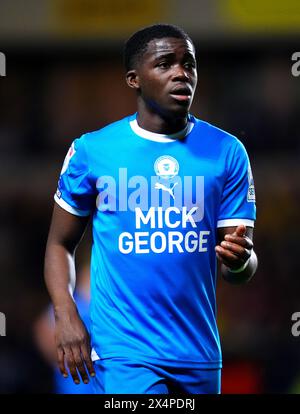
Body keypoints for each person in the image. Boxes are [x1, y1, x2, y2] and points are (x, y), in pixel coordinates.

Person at [44, 23, 257, 394]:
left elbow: (240, 268)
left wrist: (240, 261)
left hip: (199, 353)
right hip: (124, 353)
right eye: (165, 64)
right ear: (134, 79)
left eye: (189, 64)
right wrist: (65, 313)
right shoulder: (93, 151)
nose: (181, 73)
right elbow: (60, 243)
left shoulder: (227, 152)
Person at [34, 264, 93, 394]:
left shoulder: (105, 306)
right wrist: (63, 357)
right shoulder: (70, 305)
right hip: (74, 384)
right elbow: (42, 329)